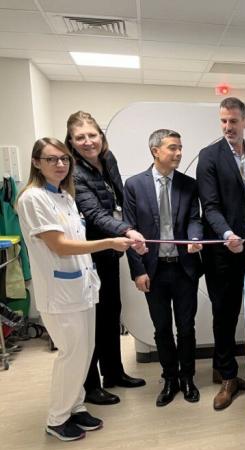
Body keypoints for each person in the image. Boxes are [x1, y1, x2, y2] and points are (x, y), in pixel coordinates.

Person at [17, 138, 134, 441]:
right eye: (52, 159)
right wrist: (109, 242)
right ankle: (57, 419)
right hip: (59, 293)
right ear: (36, 162)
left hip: (82, 288)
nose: (60, 165)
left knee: (84, 354)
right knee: (71, 354)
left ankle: (75, 406)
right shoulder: (32, 199)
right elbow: (59, 245)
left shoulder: (65, 197)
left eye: (64, 160)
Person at [65, 111, 147, 406]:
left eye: (92, 135)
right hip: (91, 252)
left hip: (111, 249)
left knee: (112, 313)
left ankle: (114, 372)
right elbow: (95, 214)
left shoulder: (107, 160)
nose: (88, 142)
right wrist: (127, 229)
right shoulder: (74, 172)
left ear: (101, 136)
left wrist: (132, 223)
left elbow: (120, 200)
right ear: (71, 142)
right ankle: (91, 385)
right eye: (80, 138)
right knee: (93, 321)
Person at [123, 129, 203, 407]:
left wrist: (194, 239)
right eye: (172, 148)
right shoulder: (134, 185)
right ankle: (169, 378)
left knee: (187, 326)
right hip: (153, 270)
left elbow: (195, 219)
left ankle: (188, 378)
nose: (179, 153)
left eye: (180, 147)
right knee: (161, 328)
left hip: (184, 268)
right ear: (155, 151)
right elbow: (129, 230)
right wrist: (138, 270)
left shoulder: (189, 185)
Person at [197, 97, 245, 411]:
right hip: (223, 250)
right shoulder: (209, 156)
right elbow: (209, 206)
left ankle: (221, 366)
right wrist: (227, 234)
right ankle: (229, 377)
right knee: (224, 313)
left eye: (233, 121)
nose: (228, 127)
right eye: (223, 121)